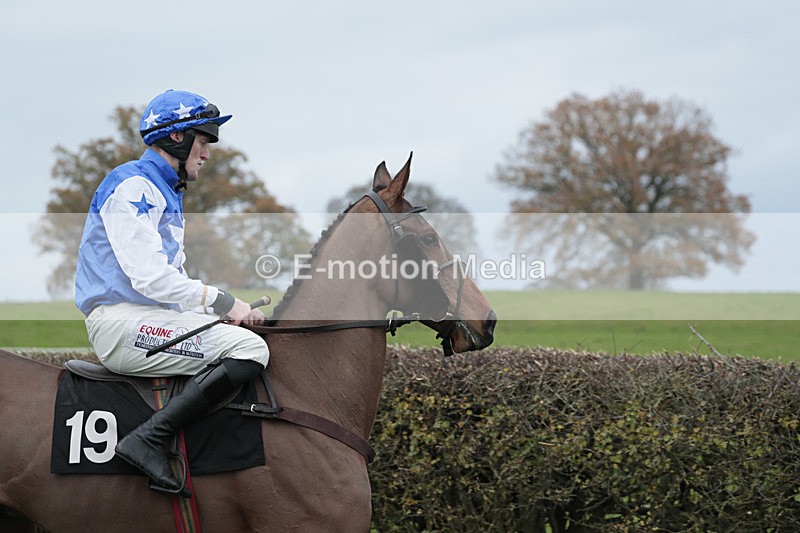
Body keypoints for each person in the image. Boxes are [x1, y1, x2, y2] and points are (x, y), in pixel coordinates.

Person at [75, 89, 269, 494]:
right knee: (251, 351)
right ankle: (148, 439)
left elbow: (174, 289)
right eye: (204, 141)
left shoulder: (166, 192)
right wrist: (226, 302)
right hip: (122, 324)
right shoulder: (133, 185)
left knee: (247, 337)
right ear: (176, 139)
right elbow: (151, 279)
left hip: (148, 319)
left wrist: (225, 314)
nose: (208, 153)